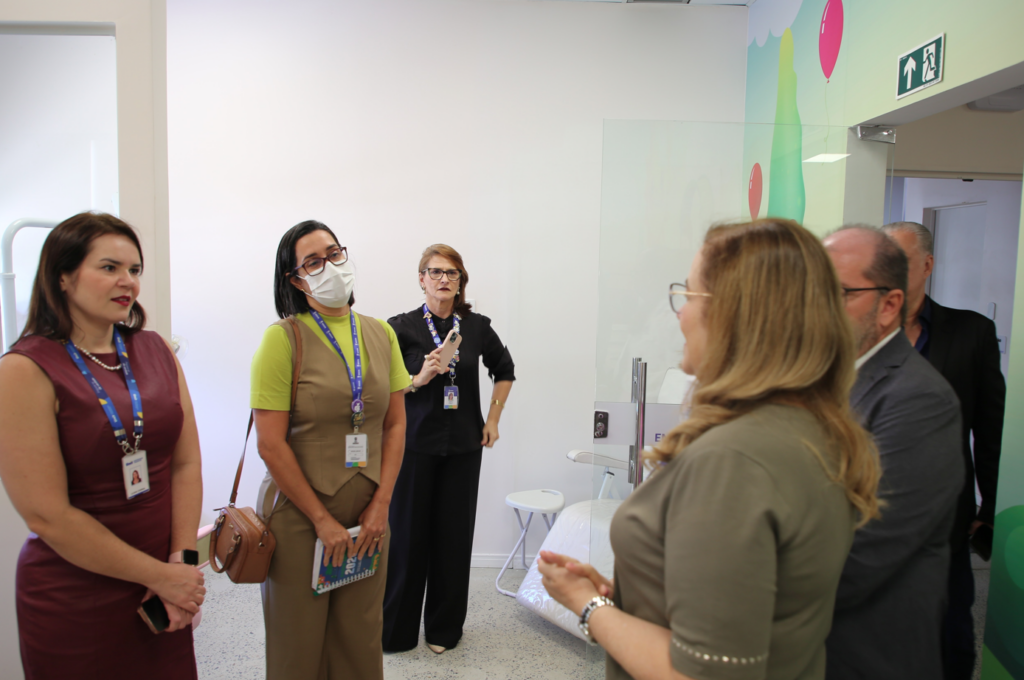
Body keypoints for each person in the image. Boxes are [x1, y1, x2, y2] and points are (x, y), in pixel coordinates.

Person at [539, 219, 881, 680]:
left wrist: (587, 605)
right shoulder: (810, 429)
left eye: (689, 295)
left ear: (734, 315)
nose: (679, 314)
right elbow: (748, 601)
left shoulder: (733, 459)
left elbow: (705, 672)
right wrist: (633, 593)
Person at [0, 212, 205, 679]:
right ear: (63, 276)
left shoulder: (156, 350)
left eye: (134, 269)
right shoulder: (24, 369)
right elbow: (47, 515)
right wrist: (161, 577)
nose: (127, 281)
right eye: (109, 267)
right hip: (78, 593)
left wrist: (182, 564)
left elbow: (185, 464)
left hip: (164, 581)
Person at [250, 220, 410, 680]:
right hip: (299, 516)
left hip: (368, 515)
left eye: (334, 253)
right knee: (298, 645)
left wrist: (382, 505)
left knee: (360, 638)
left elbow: (395, 424)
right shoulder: (283, 339)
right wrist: (321, 520)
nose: (330, 266)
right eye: (313, 262)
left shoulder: (381, 334)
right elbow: (270, 444)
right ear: (296, 280)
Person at [822, 225, 964, 680]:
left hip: (866, 657)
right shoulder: (828, 381)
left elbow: (867, 553)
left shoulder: (920, 400)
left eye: (838, 293)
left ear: (888, 306)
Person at [883, 221, 1006, 680]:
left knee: (951, 634)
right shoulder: (858, 332)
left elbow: (990, 428)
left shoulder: (971, 333)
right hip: (872, 513)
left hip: (946, 516)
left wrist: (989, 507)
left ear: (928, 265)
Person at [383, 244, 515, 654]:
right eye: (436, 272)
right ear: (421, 279)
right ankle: (396, 632)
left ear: (461, 282)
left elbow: (505, 371)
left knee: (453, 540)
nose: (444, 279)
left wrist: (492, 420)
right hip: (413, 447)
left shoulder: (476, 327)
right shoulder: (398, 328)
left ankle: (443, 631)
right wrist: (417, 378)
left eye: (452, 273)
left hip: (462, 447)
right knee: (406, 540)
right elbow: (381, 384)